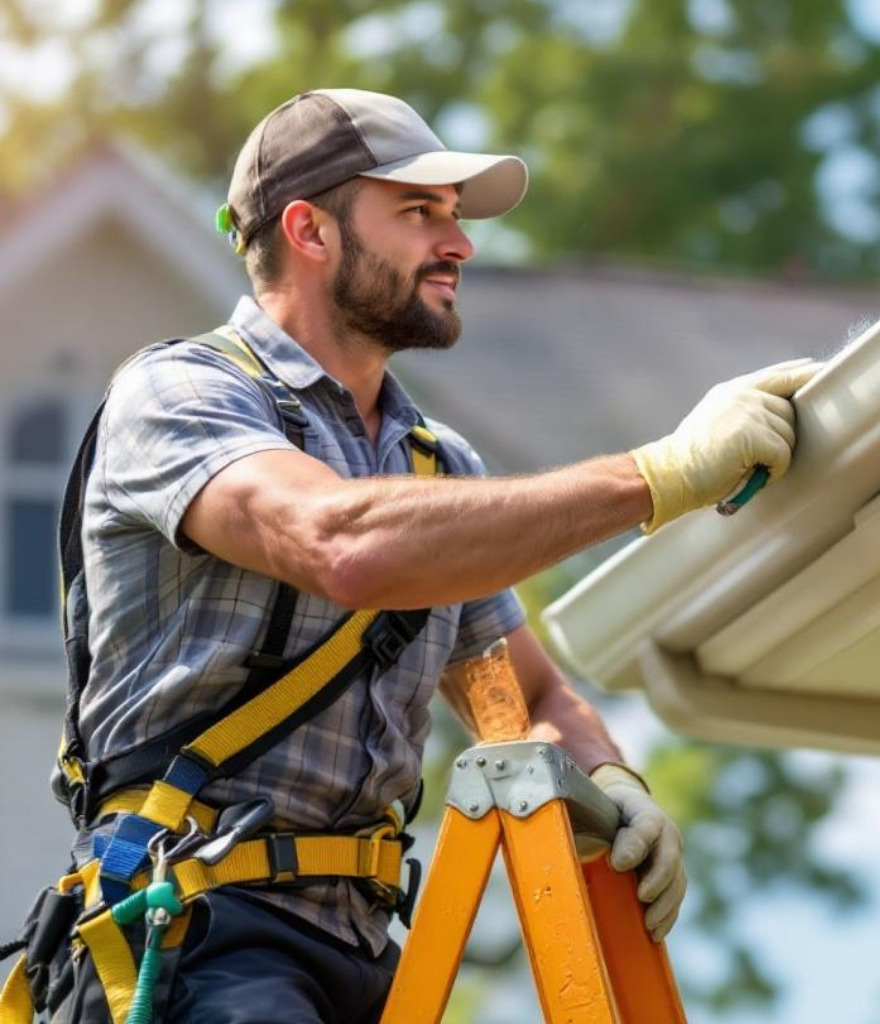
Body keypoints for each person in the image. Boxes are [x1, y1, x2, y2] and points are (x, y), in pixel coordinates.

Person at [28, 88, 820, 1024]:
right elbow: (342, 544)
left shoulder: (435, 465)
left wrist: (613, 784)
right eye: (419, 212)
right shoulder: (180, 395)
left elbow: (524, 700)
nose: (460, 245)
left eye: (454, 217)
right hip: (197, 930)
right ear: (309, 230)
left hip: (368, 955)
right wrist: (662, 475)